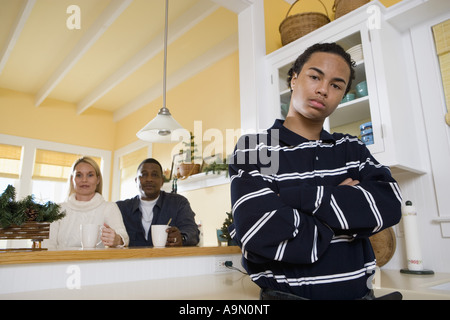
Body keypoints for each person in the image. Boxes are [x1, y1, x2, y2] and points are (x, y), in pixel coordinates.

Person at [228, 43, 403, 300]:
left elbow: (388, 204)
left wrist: (292, 199)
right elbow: (260, 231)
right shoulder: (257, 147)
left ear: (342, 95)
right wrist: (342, 217)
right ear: (294, 79)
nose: (323, 90)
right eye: (315, 77)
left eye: (336, 85)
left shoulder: (351, 148)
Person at [46, 157, 129, 248]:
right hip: (61, 261)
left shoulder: (109, 207)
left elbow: (124, 238)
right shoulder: (57, 210)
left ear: (98, 180)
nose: (84, 180)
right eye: (79, 175)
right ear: (72, 179)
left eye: (90, 175)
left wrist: (117, 239)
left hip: (98, 261)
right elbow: (47, 245)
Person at [117, 158, 199, 247]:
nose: (149, 179)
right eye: (144, 175)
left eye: (155, 175)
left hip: (168, 260)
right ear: (136, 180)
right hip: (130, 260)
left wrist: (182, 238)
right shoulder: (121, 208)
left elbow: (193, 232)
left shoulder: (178, 203)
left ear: (162, 181)